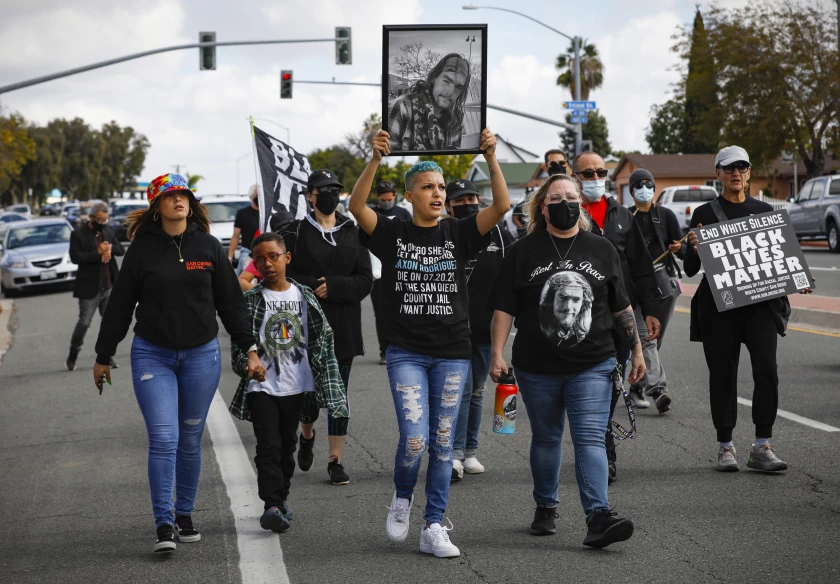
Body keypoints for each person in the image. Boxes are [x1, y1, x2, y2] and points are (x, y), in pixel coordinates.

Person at [349, 128, 509, 558]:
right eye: (428, 187)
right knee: (416, 438)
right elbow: (355, 206)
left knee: (441, 441)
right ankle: (402, 497)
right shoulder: (392, 232)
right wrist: (375, 159)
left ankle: (434, 525)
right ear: (410, 195)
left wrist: (491, 156)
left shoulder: (459, 232)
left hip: (453, 352)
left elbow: (502, 205)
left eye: (440, 186)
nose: (438, 193)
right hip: (406, 352)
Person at [92, 173, 264, 553]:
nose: (178, 200)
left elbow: (230, 305)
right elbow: (120, 306)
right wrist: (103, 356)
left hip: (201, 355)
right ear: (157, 206)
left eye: (183, 194)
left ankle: (184, 514)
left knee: (189, 440)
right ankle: (164, 523)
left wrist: (250, 349)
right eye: (169, 196)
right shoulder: (141, 250)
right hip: (153, 353)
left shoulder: (207, 246)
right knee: (164, 438)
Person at [488, 172, 643, 549]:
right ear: (542, 207)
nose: (564, 204)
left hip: (593, 362)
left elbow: (621, 306)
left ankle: (598, 516)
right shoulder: (522, 251)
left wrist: (637, 349)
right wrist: (496, 352)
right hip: (536, 366)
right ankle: (545, 505)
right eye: (555, 200)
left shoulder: (601, 248)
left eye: (570, 197)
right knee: (546, 437)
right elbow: (504, 309)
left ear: (582, 203)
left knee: (590, 438)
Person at [685, 146, 812, 473]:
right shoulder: (704, 212)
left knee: (767, 371)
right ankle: (725, 446)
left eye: (742, 167)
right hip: (718, 306)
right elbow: (688, 268)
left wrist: (797, 277)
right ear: (718, 174)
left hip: (760, 307)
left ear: (749, 172)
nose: (736, 174)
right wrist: (693, 248)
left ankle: (762, 446)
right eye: (729, 168)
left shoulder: (764, 211)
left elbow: (780, 257)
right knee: (723, 374)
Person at [229, 232, 348, 533]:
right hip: (263, 388)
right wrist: (248, 366)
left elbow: (324, 341)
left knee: (286, 447)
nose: (267, 264)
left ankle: (281, 500)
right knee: (267, 446)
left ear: (286, 258)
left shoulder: (304, 297)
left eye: (273, 257)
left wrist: (327, 382)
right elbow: (238, 346)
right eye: (259, 260)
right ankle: (271, 504)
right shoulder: (251, 300)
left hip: (298, 386)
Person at [572, 151, 661, 484]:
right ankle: (592, 452)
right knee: (584, 391)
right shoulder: (566, 213)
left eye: (600, 172)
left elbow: (640, 266)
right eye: (587, 173)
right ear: (574, 174)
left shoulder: (622, 215)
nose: (595, 178)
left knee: (610, 390)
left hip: (619, 319)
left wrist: (649, 310)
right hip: (579, 319)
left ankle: (602, 454)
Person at [280, 168, 373, 486]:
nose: (331, 194)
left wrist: (334, 286)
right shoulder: (293, 232)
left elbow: (364, 280)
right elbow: (284, 276)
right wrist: (312, 286)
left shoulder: (353, 231)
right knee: (307, 399)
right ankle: (306, 433)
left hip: (344, 327)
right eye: (324, 189)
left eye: (336, 189)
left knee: (338, 396)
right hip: (307, 327)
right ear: (310, 195)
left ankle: (335, 460)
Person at [444, 178, 514, 481]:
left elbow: (514, 272)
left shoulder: (498, 232)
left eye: (470, 198)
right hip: (452, 328)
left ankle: (470, 451)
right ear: (448, 205)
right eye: (458, 200)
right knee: (457, 393)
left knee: (476, 392)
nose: (466, 204)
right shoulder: (442, 231)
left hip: (488, 328)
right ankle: (454, 454)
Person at [626, 168, 686, 413]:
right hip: (635, 285)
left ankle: (636, 386)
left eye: (648, 184)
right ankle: (659, 390)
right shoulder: (624, 216)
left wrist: (678, 248)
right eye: (638, 185)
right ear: (631, 190)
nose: (644, 189)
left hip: (663, 285)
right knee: (646, 338)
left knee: (654, 339)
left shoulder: (666, 215)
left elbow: (682, 252)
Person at [66, 202, 124, 371]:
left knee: (108, 324)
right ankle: (73, 354)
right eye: (99, 219)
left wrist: (110, 248)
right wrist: (97, 253)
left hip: (108, 286)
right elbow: (76, 257)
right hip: (89, 288)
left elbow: (121, 250)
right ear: (91, 217)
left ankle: (106, 357)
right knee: (84, 323)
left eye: (105, 220)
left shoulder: (107, 232)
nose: (102, 222)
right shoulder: (78, 235)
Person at [388, 53, 471, 152]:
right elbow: (388, 154)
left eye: (458, 87)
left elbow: (452, 155)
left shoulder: (455, 119)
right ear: (433, 78)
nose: (451, 92)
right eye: (446, 81)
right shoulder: (402, 107)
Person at [370, 180, 413, 364]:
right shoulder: (371, 213)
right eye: (383, 199)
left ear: (395, 196)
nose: (387, 202)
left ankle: (404, 347)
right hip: (377, 272)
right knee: (381, 314)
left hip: (400, 270)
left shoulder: (403, 213)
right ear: (377, 197)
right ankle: (384, 350)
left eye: (390, 199)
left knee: (403, 311)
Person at [229, 184, 261, 276]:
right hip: (247, 253)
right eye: (257, 195)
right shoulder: (242, 213)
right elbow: (235, 236)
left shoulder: (267, 214)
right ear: (252, 196)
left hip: (264, 252)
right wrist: (230, 257)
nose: (259, 198)